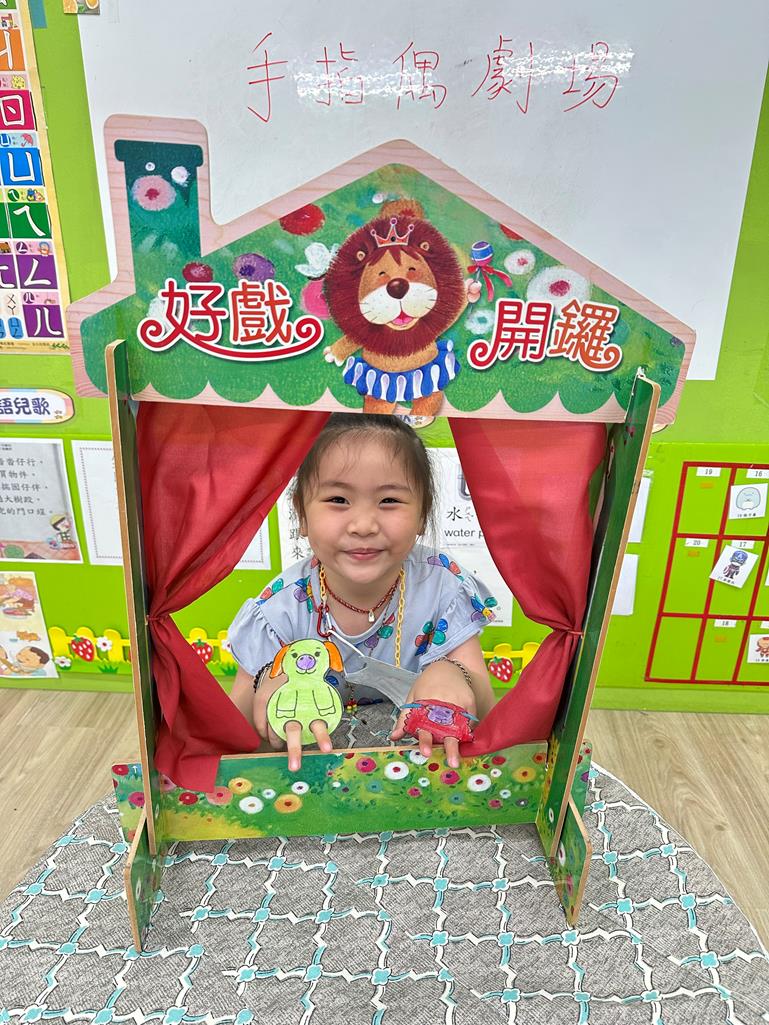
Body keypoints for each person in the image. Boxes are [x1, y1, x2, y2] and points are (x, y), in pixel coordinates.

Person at [228, 413, 497, 771]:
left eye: (389, 501)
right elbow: (237, 739)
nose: (364, 525)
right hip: (313, 773)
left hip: (417, 772)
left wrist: (453, 673)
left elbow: (486, 712)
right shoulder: (278, 611)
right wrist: (266, 686)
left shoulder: (443, 588)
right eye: (338, 499)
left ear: (422, 515)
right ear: (302, 515)